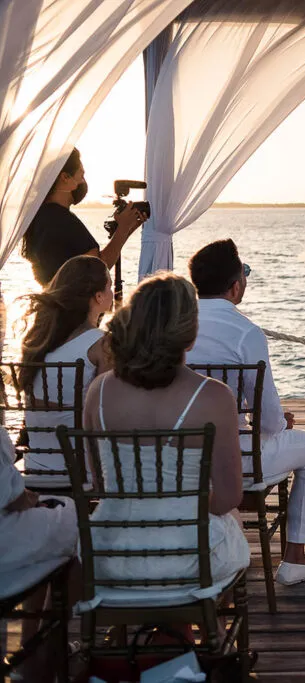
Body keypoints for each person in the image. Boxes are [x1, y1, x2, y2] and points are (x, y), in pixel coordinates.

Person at [85, 273, 249, 591]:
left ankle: (164, 627)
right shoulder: (213, 396)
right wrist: (179, 505)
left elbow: (101, 483)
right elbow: (229, 496)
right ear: (189, 332)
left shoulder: (98, 391)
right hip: (187, 558)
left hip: (113, 554)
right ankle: (191, 623)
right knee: (231, 524)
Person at [186, 240, 305, 585]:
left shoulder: (174, 327)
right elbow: (267, 422)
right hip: (234, 460)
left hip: (178, 458)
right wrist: (282, 422)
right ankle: (294, 558)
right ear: (236, 285)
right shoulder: (245, 333)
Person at [20, 255, 113, 475]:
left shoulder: (39, 339)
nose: (113, 291)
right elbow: (108, 414)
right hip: (81, 469)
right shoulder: (102, 344)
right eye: (109, 285)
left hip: (34, 463)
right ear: (98, 296)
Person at [0, 428, 78, 682]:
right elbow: (8, 495)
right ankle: (45, 651)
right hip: (6, 545)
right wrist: (29, 500)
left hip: (37, 462)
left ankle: (32, 645)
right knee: (79, 526)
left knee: (45, 532)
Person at [21, 148, 145, 286]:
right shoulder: (62, 220)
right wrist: (123, 229)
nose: (83, 182)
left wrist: (127, 227)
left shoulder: (40, 215)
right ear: (65, 178)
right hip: (73, 306)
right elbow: (99, 267)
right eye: (81, 175)